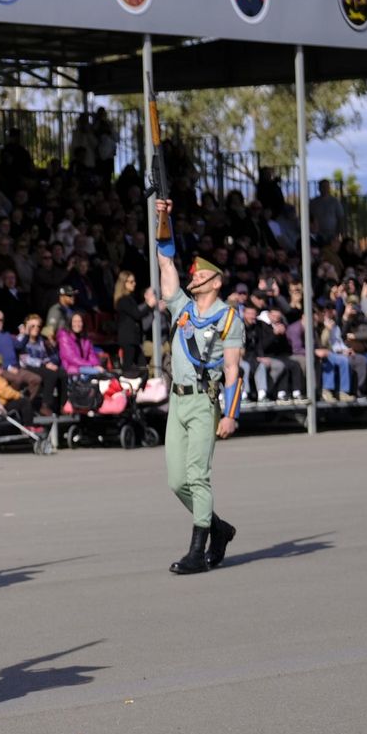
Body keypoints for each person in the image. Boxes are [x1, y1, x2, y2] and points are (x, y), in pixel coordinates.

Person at [155, 198, 243, 575]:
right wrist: (163, 218)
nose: (192, 279)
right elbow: (165, 261)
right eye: (192, 276)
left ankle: (197, 552)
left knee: (198, 476)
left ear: (216, 282)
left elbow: (233, 369)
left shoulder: (228, 319)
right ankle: (219, 528)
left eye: (199, 277)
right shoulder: (182, 308)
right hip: (177, 402)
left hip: (205, 403)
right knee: (177, 482)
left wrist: (230, 413)